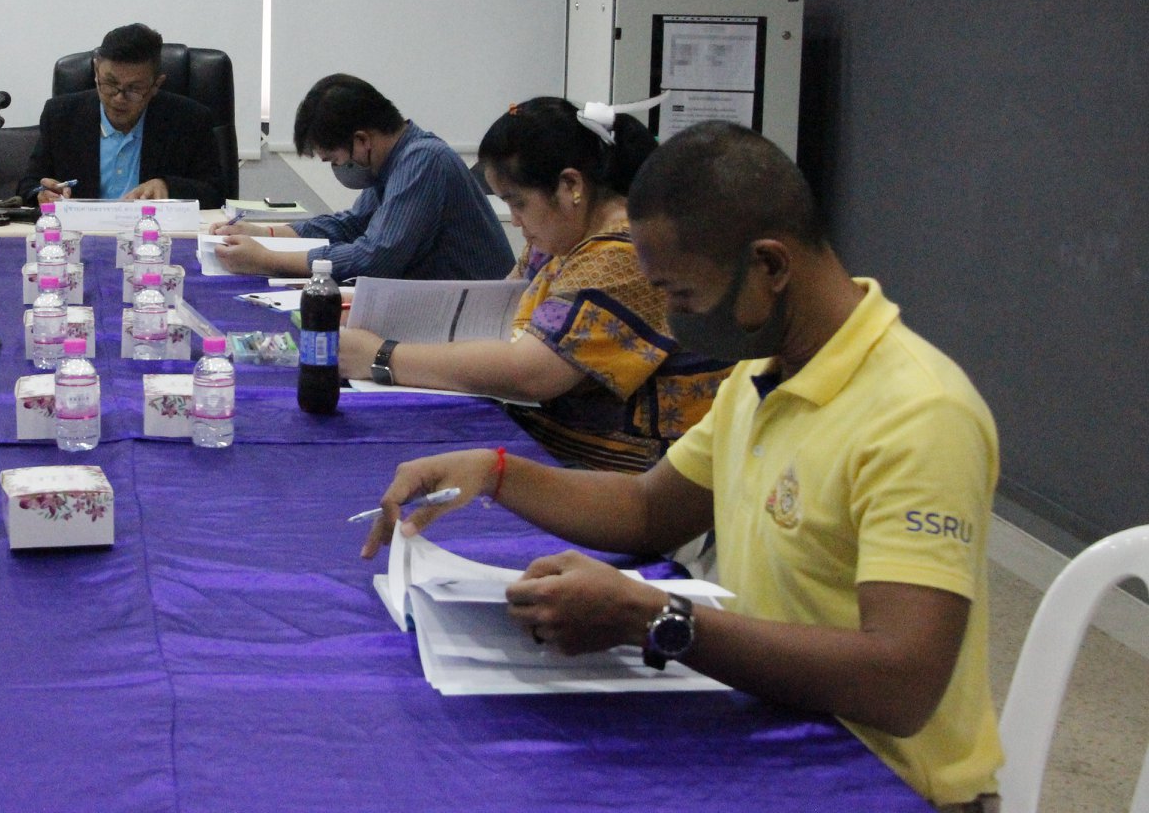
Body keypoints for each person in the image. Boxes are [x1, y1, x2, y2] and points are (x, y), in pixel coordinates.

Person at [361, 123, 1000, 812]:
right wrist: (495, 471)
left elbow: (901, 684)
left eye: (684, 297)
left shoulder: (919, 415)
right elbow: (649, 511)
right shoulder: (764, 372)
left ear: (770, 266)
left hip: (884, 778)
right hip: (777, 723)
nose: (670, 319)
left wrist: (654, 617)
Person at [338, 97, 729, 471]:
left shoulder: (623, 254)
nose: (515, 220)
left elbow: (531, 373)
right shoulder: (556, 241)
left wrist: (383, 356)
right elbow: (491, 316)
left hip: (623, 473)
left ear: (570, 186)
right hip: (553, 443)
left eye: (518, 202)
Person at [209, 74, 512, 281]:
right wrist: (264, 233)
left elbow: (374, 258)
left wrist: (266, 259)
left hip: (478, 315)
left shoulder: (424, 161)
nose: (337, 168)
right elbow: (351, 225)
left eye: (335, 160)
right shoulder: (395, 162)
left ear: (362, 140)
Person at [18, 22, 227, 208]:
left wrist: (167, 186)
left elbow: (216, 193)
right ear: (96, 71)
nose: (119, 98)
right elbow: (29, 184)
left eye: (134, 89)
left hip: (155, 233)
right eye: (110, 83)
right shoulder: (61, 116)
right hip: (82, 233)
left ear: (156, 85)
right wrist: (41, 193)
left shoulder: (190, 120)